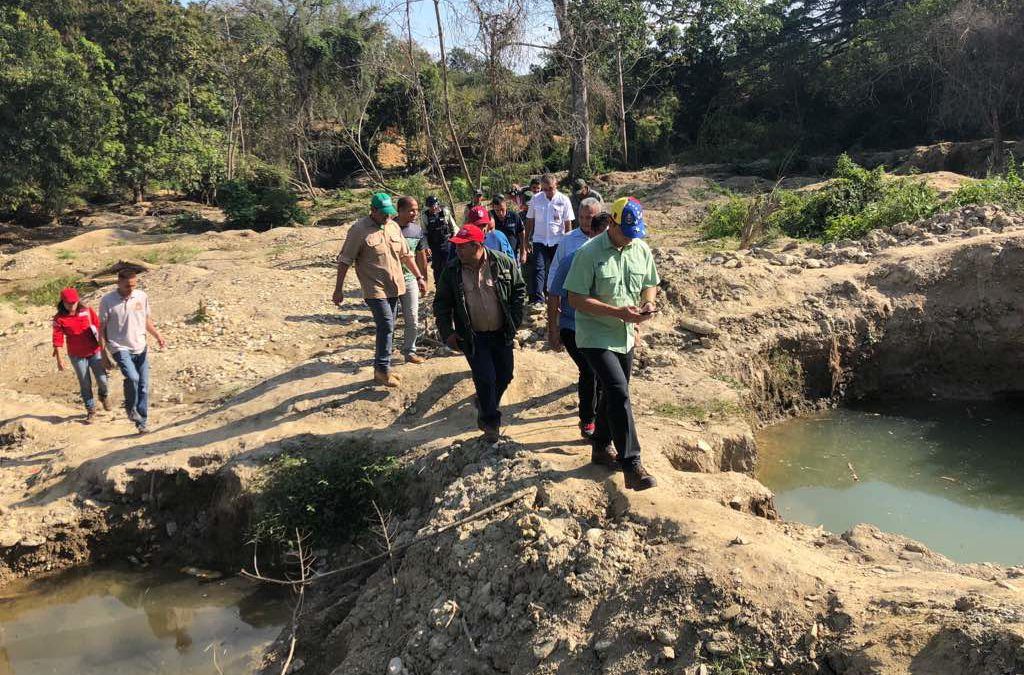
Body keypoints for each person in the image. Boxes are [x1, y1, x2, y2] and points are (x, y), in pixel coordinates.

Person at [563, 197, 660, 490]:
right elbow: (575, 298)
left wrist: (648, 303)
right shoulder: (588, 253)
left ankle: (601, 445)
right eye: (626, 231)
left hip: (625, 335)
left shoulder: (640, 249)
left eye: (636, 233)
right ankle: (632, 465)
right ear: (613, 223)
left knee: (614, 394)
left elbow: (650, 283)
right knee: (618, 391)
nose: (631, 238)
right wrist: (616, 312)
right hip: (595, 335)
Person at [434, 224, 526, 442]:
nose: (457, 251)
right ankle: (490, 422)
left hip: (502, 333)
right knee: (485, 378)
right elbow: (441, 304)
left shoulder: (502, 263)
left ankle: (486, 402)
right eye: (456, 246)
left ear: (477, 246)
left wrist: (514, 321)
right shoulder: (452, 270)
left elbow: (519, 290)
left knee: (505, 374)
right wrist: (447, 333)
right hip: (473, 336)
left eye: (462, 247)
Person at [334, 193, 427, 387]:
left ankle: (382, 368)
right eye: (383, 214)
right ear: (373, 210)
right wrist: (338, 290)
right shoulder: (358, 230)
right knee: (386, 324)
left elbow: (406, 255)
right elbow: (345, 261)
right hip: (374, 288)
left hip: (395, 286)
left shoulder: (393, 226)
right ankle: (382, 369)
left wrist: (419, 277)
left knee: (389, 325)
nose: (387, 217)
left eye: (389, 214)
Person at [546, 210, 611, 440]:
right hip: (573, 326)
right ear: (591, 233)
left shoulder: (614, 262)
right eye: (602, 235)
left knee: (607, 376)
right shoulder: (572, 259)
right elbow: (554, 295)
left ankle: (604, 418)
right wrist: (553, 330)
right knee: (590, 370)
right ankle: (588, 420)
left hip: (603, 328)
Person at [99, 269, 166, 434]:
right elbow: (101, 329)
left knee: (143, 385)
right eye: (128, 286)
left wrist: (157, 335)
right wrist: (103, 354)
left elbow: (145, 320)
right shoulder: (107, 300)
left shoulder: (141, 296)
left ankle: (141, 423)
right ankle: (130, 408)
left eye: (134, 285)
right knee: (133, 377)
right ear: (118, 283)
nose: (131, 289)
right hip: (119, 346)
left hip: (140, 346)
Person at [52, 287, 109, 423]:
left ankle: (103, 395)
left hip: (94, 351)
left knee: (103, 380)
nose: (71, 305)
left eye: (73, 302)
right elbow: (57, 338)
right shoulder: (59, 318)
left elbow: (99, 327)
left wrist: (105, 348)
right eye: (68, 303)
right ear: (62, 302)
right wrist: (59, 359)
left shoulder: (87, 311)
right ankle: (91, 410)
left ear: (78, 301)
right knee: (85, 383)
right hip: (77, 355)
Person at [525, 173, 574, 305]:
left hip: (557, 240)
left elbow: (568, 223)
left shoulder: (564, 200)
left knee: (557, 269)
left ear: (556, 185)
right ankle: (538, 300)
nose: (547, 192)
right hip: (539, 240)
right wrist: (526, 241)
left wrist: (567, 243)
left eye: (550, 188)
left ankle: (557, 297)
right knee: (538, 268)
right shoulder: (536, 199)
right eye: (545, 189)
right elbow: (530, 220)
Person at [396, 196, 429, 364]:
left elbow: (420, 256)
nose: (414, 213)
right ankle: (384, 356)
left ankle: (409, 351)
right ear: (399, 210)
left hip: (410, 280)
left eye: (416, 209)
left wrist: (423, 279)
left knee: (412, 317)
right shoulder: (389, 228)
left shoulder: (417, 231)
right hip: (390, 281)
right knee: (389, 321)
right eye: (410, 210)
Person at [422, 195, 458, 285]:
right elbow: (424, 233)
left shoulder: (445, 212)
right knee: (437, 268)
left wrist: (454, 240)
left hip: (447, 243)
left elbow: (454, 227)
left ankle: (454, 285)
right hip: (434, 246)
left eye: (434, 205)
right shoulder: (425, 216)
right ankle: (439, 287)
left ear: (437, 204)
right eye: (430, 206)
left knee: (450, 264)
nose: (433, 207)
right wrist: (426, 247)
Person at [490, 194, 527, 265]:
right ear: (493, 208)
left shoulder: (514, 216)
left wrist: (523, 252)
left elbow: (522, 234)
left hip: (513, 254)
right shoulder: (490, 219)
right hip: (496, 257)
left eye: (502, 209)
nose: (500, 213)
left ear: (506, 206)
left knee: (516, 274)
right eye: (497, 210)